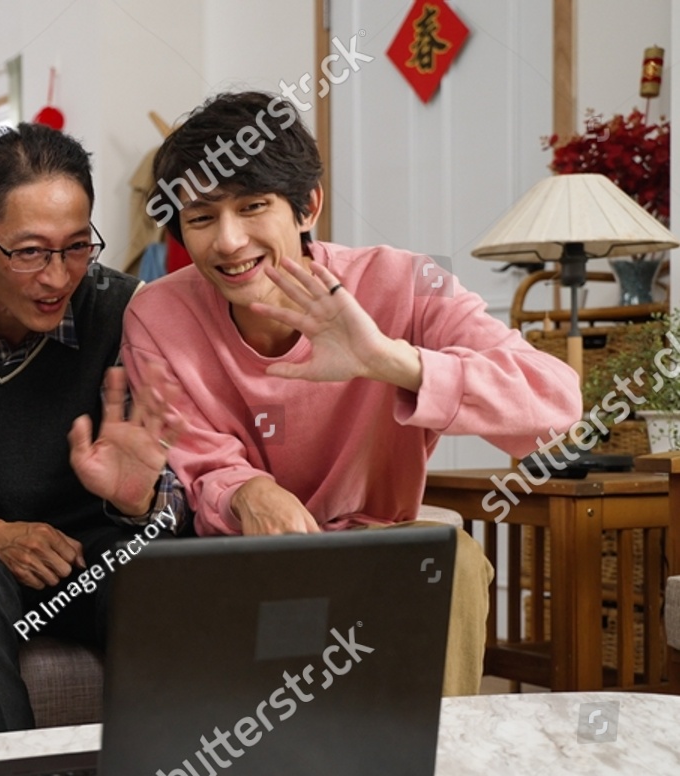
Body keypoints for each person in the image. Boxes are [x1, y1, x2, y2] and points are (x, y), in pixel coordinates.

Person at [126, 90, 583, 695]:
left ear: (307, 206)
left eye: (254, 207)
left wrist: (389, 360)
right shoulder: (157, 314)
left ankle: (437, 771)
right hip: (239, 559)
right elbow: (199, 459)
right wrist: (247, 493)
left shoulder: (404, 282)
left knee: (453, 559)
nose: (228, 241)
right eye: (202, 217)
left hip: (373, 547)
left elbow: (555, 407)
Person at [0, 122, 186, 732]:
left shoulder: (125, 309)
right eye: (29, 252)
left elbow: (174, 496)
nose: (58, 277)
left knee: (157, 577)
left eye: (78, 246)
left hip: (85, 553)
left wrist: (141, 504)